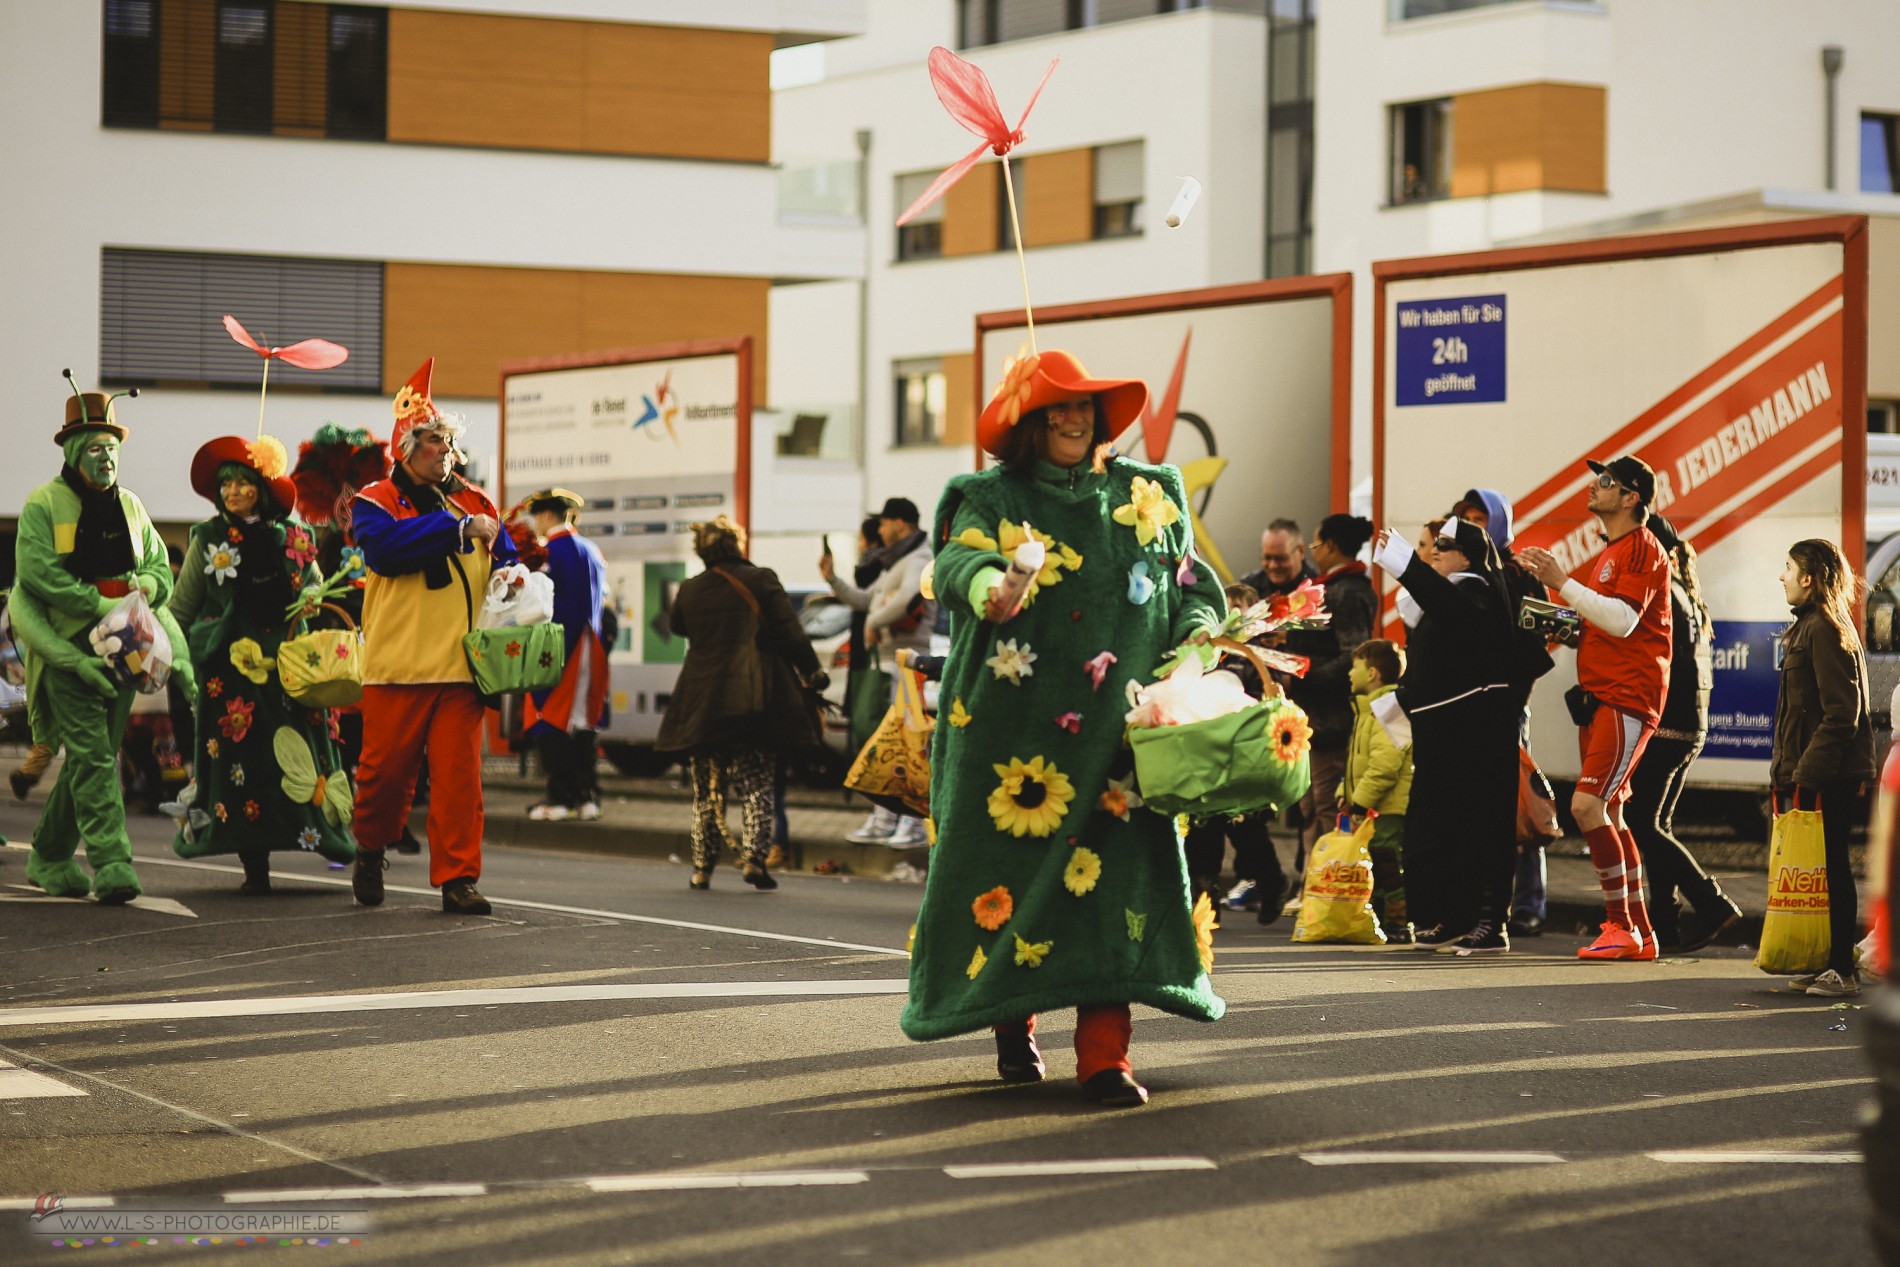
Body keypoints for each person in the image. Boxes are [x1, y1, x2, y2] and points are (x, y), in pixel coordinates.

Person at [904, 348, 1228, 1108]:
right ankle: (1012, 1023)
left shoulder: (1153, 492)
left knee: (1119, 890)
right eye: (1056, 408)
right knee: (1007, 887)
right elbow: (959, 567)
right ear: (1027, 423)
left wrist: (1199, 651)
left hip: (1123, 743)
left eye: (1083, 405)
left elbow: (1194, 592)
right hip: (1008, 744)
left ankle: (1104, 1055)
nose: (1075, 417)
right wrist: (998, 585)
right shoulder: (984, 495)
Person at [348, 359, 525, 916]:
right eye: (433, 440)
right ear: (405, 446)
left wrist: (516, 573)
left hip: (461, 669)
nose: (445, 449)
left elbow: (504, 561)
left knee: (458, 783)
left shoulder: (476, 501)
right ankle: (371, 846)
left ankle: (457, 878)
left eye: (449, 440)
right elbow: (384, 551)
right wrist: (452, 531)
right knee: (384, 778)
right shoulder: (375, 500)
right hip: (396, 665)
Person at [167, 434, 358, 891]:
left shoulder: (295, 537)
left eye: (242, 482)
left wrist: (312, 596)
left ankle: (322, 836)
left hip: (291, 676)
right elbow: (181, 609)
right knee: (244, 768)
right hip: (230, 682)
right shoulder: (207, 538)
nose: (232, 492)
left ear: (262, 486)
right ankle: (256, 867)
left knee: (296, 762)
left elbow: (313, 586)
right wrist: (182, 664)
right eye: (225, 484)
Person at [14, 376, 172, 904]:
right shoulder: (44, 503)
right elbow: (38, 574)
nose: (107, 458)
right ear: (77, 450)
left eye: (113, 449)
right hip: (69, 653)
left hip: (127, 650)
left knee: (95, 753)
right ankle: (112, 863)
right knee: (94, 756)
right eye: (97, 449)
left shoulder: (131, 506)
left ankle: (50, 855)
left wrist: (148, 584)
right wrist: (100, 604)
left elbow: (157, 565)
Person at [1519, 456, 1672, 962]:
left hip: (1629, 695)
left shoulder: (1644, 549)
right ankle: (1640, 933)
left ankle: (1620, 925)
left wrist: (1561, 580)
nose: (1596, 486)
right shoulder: (1616, 550)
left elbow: (1624, 621)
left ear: (1631, 498)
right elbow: (1598, 620)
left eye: (1606, 482)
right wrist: (1556, 620)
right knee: (1611, 812)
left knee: (1586, 807)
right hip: (1607, 694)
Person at [1373, 518, 1520, 954]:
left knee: (1476, 831)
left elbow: (1449, 609)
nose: (1435, 550)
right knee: (1437, 832)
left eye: (1446, 544)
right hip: (1441, 737)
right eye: (1433, 544)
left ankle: (1489, 924)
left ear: (1468, 557)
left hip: (1474, 737)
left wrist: (1406, 565)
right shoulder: (1444, 597)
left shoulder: (1477, 591)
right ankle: (1452, 918)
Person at [656, 515, 823, 890]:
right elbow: (791, 632)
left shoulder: (691, 589)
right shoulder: (761, 579)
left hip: (701, 699)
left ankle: (702, 868)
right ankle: (753, 861)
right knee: (757, 782)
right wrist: (813, 673)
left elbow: (680, 626)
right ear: (737, 545)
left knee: (705, 790)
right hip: (754, 696)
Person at [1624, 516, 1741, 952]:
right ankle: (1664, 925)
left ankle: (1711, 902)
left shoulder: (1664, 594)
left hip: (1669, 723)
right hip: (1691, 723)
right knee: (1657, 823)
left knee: (1640, 821)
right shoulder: (1687, 594)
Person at [1771, 538, 1877, 998]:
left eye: (1789, 568)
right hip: (1817, 769)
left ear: (1810, 577)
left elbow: (1842, 713)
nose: (1782, 576)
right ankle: (1827, 961)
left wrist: (1807, 773)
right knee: (1820, 868)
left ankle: (1842, 970)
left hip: (1830, 772)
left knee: (1833, 866)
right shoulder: (1808, 626)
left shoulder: (1824, 629)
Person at [1455, 489, 1555, 938]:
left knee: (1520, 806)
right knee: (1478, 811)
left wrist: (1514, 700)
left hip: (1508, 708)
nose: (1473, 526)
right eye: (1466, 518)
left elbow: (1540, 640)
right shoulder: (1462, 568)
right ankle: (1483, 904)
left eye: (1480, 518)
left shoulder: (1519, 574)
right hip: (1467, 708)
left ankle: (1530, 903)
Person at [823, 497, 935, 848]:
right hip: (891, 662)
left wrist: (872, 622)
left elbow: (905, 600)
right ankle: (887, 816)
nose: (879, 530)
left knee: (909, 745)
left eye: (883, 523)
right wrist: (833, 580)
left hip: (909, 661)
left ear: (900, 523)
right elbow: (865, 599)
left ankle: (912, 821)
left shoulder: (918, 558)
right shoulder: (897, 560)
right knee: (889, 745)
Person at [1281, 513, 1378, 917]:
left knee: (1326, 806)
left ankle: (1323, 886)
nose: (1314, 552)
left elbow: (1351, 654)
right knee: (1309, 807)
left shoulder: (1348, 591)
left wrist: (1304, 676)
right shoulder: (1329, 588)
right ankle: (1311, 884)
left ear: (1333, 547)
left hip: (1332, 719)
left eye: (1317, 544)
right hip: (1313, 717)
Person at [1182, 582, 1288, 925]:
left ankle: (1272, 884)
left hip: (1243, 759)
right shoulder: (1209, 653)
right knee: (1202, 831)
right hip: (1207, 755)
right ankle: (1204, 896)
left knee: (1248, 831)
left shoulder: (1258, 656)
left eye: (1237, 610)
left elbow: (1268, 697)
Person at [520, 489, 610, 823]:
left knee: (550, 717)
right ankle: (587, 797)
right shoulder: (592, 550)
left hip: (556, 644)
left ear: (546, 516)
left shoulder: (547, 551)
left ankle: (559, 797)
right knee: (584, 721)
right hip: (591, 644)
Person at [1341, 638, 1412, 942]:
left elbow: (1386, 764)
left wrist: (1360, 801)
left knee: (1386, 862)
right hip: (1373, 804)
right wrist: (1344, 791)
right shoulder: (1370, 708)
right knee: (1376, 860)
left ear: (1372, 673)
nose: (1349, 674)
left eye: (1354, 667)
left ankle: (1399, 921)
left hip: (1389, 805)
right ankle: (1382, 920)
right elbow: (1359, 758)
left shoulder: (1389, 708)